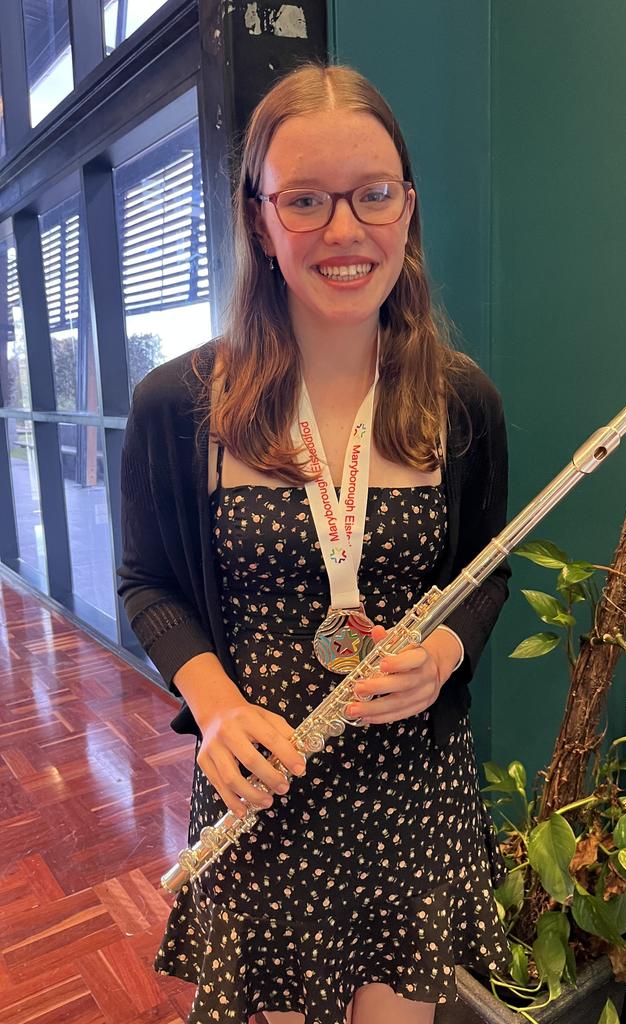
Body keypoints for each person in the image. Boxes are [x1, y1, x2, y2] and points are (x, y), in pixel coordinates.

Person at [117, 62, 511, 1024]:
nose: (345, 230)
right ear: (259, 218)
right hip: (264, 803)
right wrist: (212, 711)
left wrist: (445, 652)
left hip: (411, 801)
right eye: (305, 200)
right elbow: (146, 584)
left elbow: (484, 574)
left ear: (407, 209)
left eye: (373, 195)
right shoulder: (178, 405)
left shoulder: (462, 399)